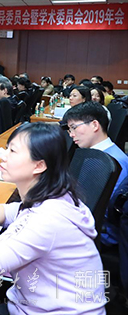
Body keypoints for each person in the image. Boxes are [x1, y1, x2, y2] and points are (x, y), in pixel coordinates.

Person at [0, 122, 105, 315]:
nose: (2, 155)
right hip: (34, 303)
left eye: (12, 151)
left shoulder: (47, 220)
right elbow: (9, 212)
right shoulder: (57, 196)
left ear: (39, 165)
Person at [63, 102, 128, 246]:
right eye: (69, 129)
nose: (71, 134)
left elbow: (89, 206)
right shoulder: (105, 155)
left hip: (101, 232)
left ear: (94, 125)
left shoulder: (105, 162)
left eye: (74, 127)